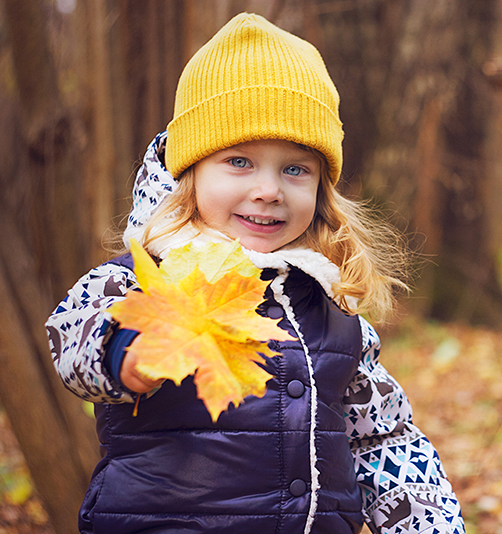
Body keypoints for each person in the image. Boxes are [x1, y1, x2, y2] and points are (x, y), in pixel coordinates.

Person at [46, 13, 464, 534]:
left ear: (321, 190)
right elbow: (72, 334)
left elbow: (383, 438)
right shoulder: (144, 275)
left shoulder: (332, 307)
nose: (269, 189)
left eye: (295, 169)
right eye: (239, 161)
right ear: (190, 174)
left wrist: (428, 523)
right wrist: (124, 352)